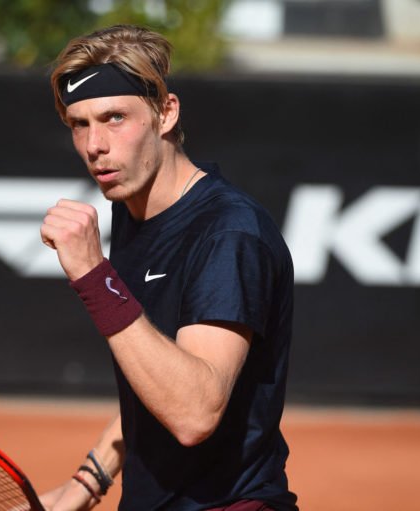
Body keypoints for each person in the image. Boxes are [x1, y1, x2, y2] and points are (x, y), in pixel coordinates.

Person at [39, 25, 298, 511]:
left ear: (165, 112)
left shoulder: (228, 234)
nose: (94, 145)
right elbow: (155, 377)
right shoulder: (133, 210)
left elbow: (194, 413)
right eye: (79, 124)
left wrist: (94, 275)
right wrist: (87, 483)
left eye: (115, 118)